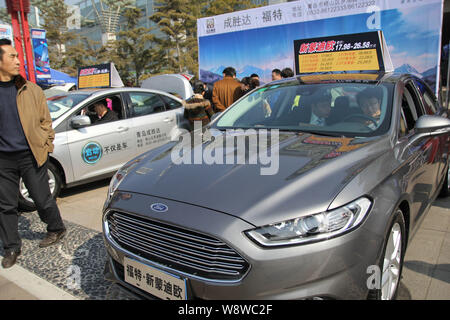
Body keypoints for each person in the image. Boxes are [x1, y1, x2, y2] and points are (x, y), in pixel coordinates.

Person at [0, 38, 66, 268]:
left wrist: (46, 145)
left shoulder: (31, 89)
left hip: (31, 154)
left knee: (41, 197)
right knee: (5, 205)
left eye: (18, 56)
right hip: (3, 160)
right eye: (12, 57)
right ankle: (11, 247)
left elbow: (45, 121)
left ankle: (56, 228)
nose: (18, 61)